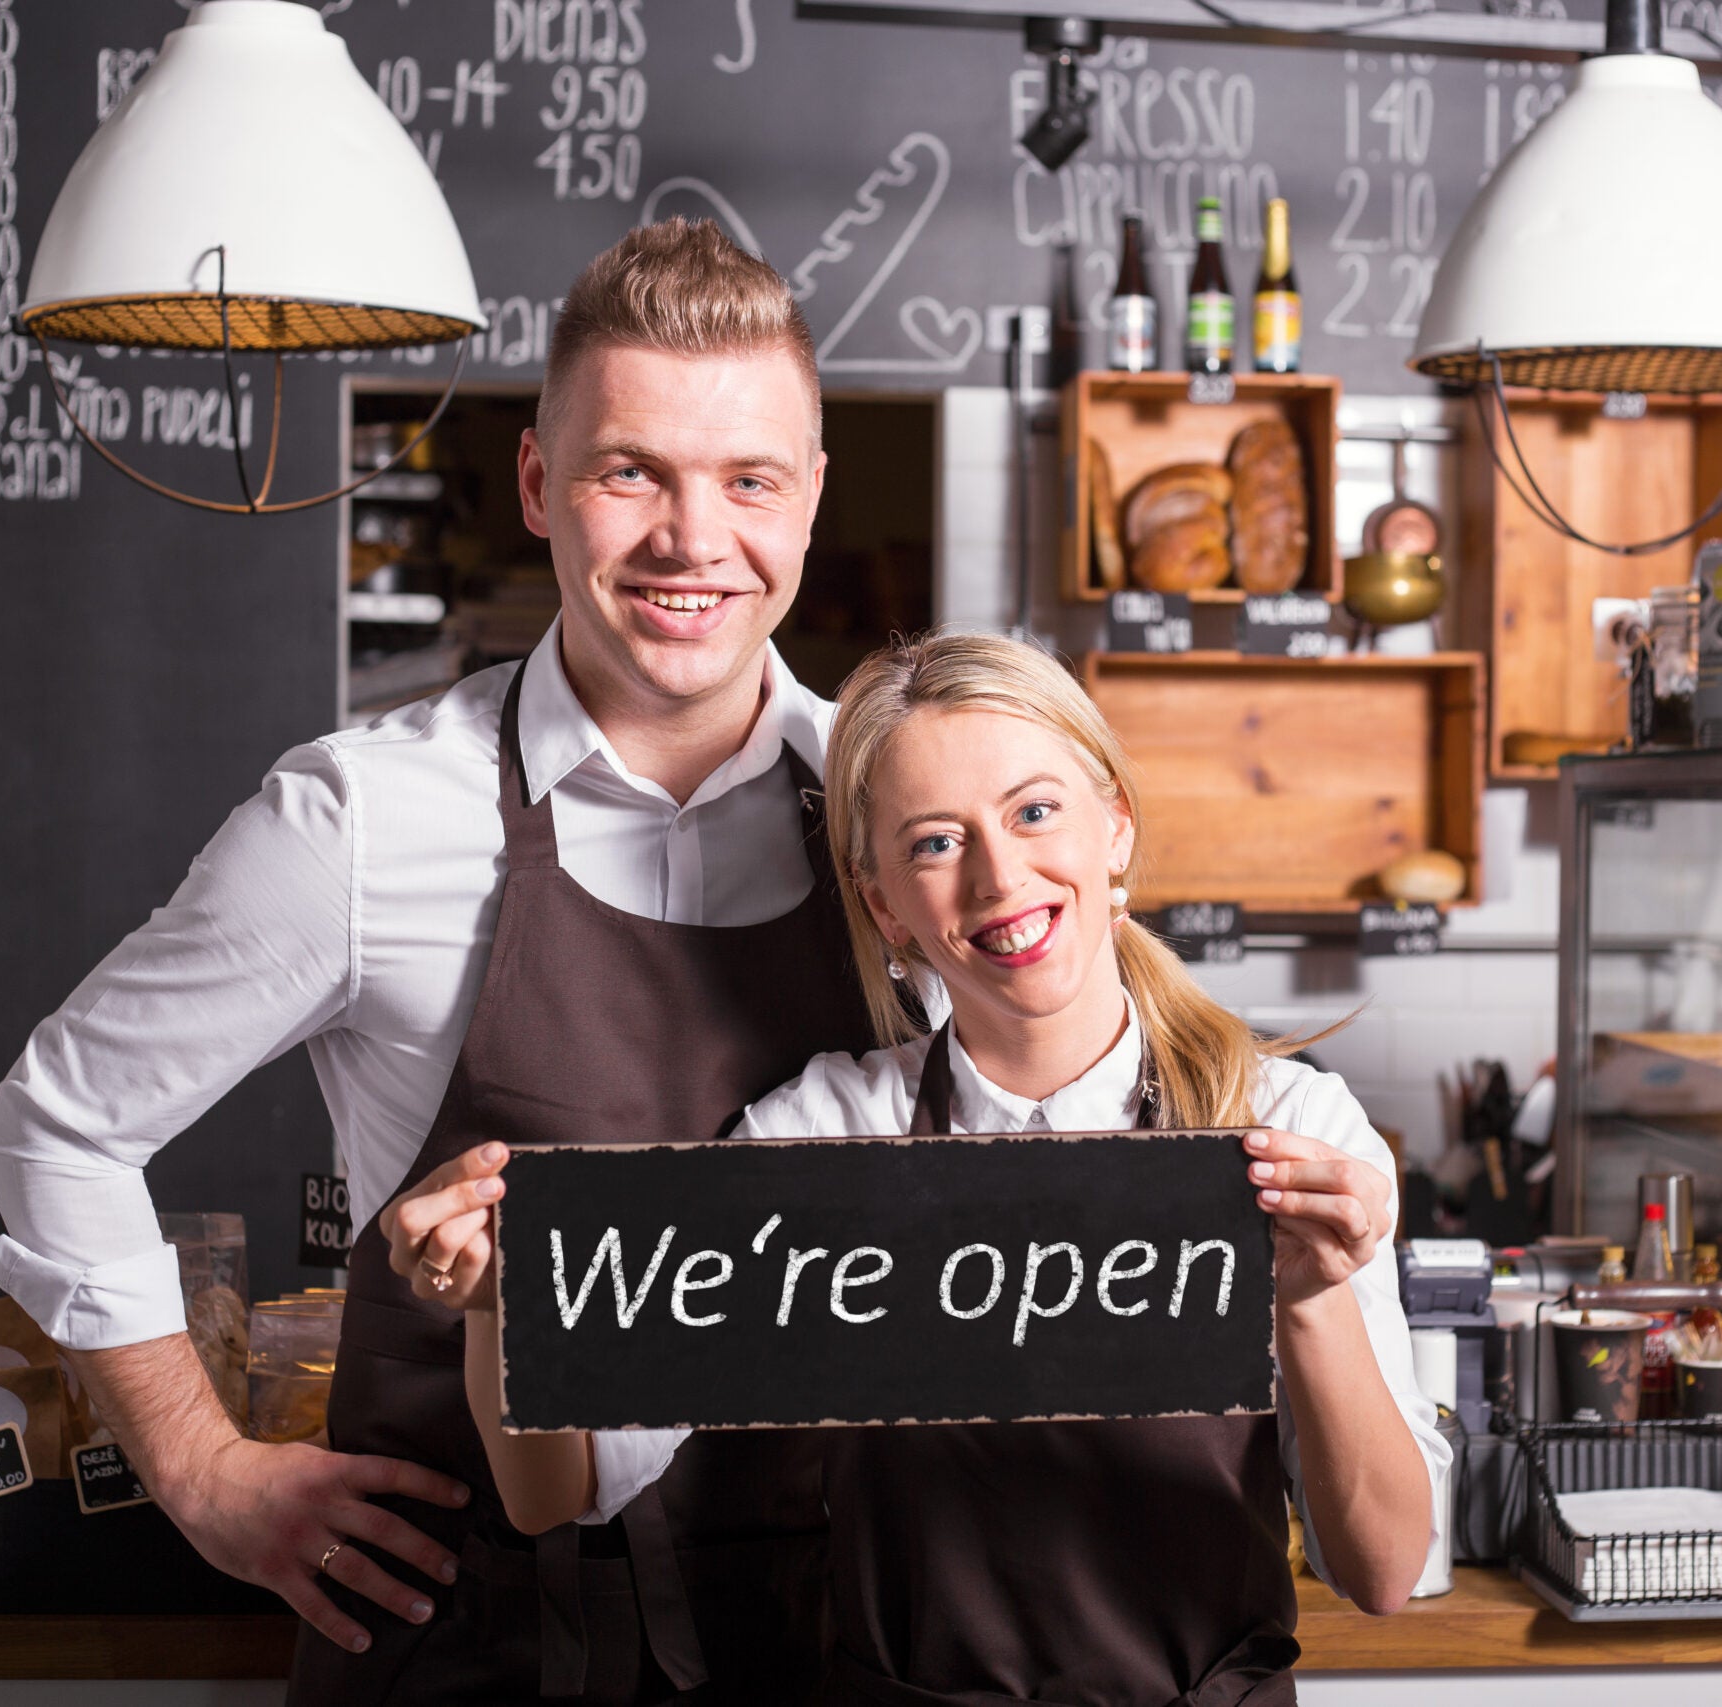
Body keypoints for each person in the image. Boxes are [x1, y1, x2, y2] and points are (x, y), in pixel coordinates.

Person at [0, 219, 867, 1705]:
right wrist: (203, 1469)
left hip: (843, 1638)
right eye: (629, 470)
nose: (692, 539)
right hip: (476, 1643)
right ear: (538, 482)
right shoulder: (365, 816)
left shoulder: (896, 807)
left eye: (749, 479)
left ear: (811, 499)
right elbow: (57, 1124)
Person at [396, 631, 1450, 1705]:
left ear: (1115, 828)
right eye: (936, 843)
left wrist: (1310, 1301)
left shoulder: (1282, 1125)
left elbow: (1381, 1569)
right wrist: (499, 1305)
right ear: (887, 906)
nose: (1000, 876)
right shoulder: (825, 1137)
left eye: (1034, 811)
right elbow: (560, 1490)